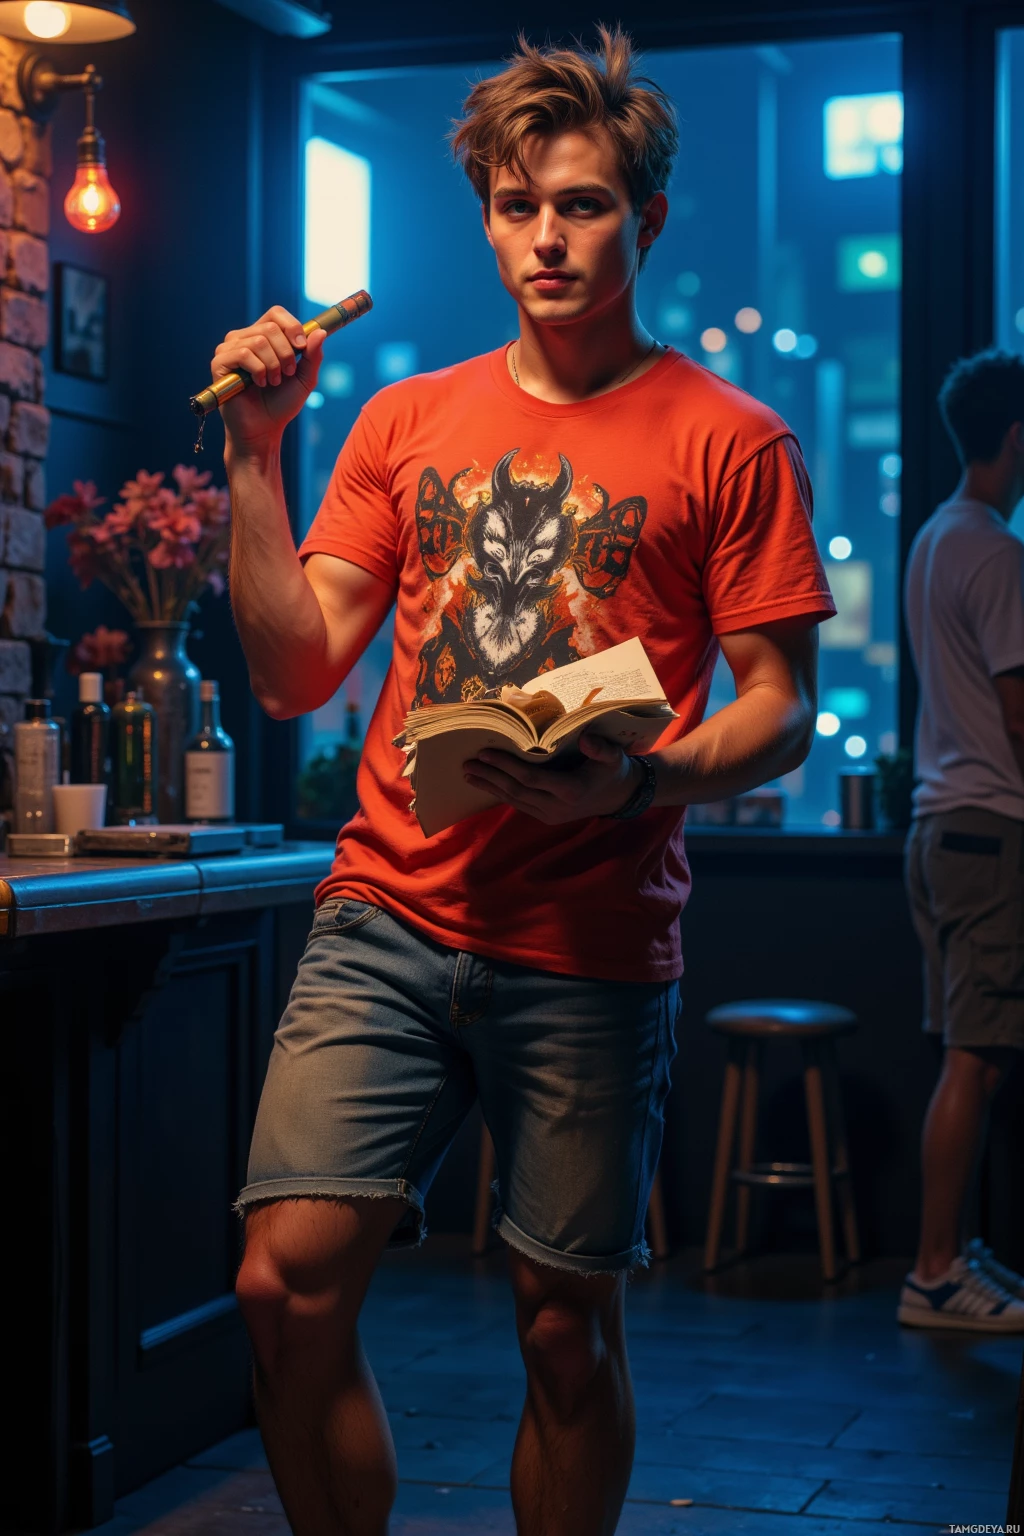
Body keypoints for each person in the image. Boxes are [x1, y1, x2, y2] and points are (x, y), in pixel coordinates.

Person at [218, 28, 834, 1535]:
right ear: (486, 218)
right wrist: (253, 454)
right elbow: (298, 673)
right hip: (388, 915)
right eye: (515, 206)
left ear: (647, 219)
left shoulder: (732, 438)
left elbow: (782, 712)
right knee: (282, 1293)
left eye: (582, 204)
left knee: (565, 1334)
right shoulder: (405, 420)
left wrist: (641, 789)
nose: (546, 237)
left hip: (592, 944)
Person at [901, 349, 1024, 1333]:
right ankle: (936, 1271)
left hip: (939, 825)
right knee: (975, 1059)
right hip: (990, 826)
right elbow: (1020, 715)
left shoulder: (936, 538)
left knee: (961, 1051)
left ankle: (948, 1254)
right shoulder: (994, 550)